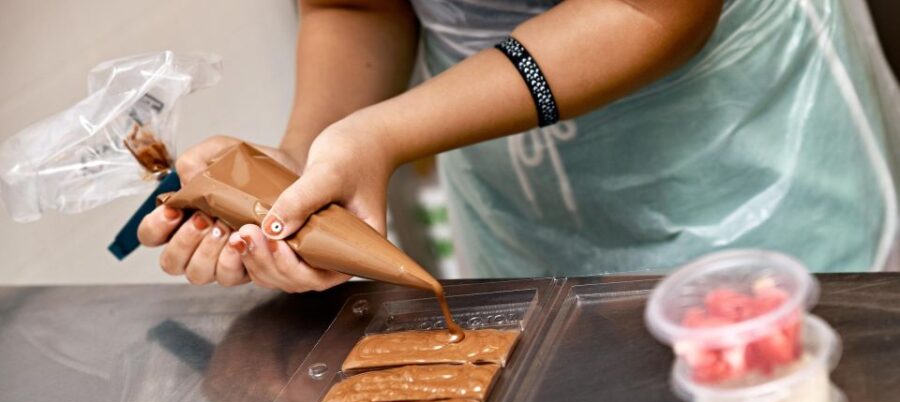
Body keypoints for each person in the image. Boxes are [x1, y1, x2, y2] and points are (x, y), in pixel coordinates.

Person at [137, 0, 898, 292]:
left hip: (736, 145)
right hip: (512, 186)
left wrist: (384, 132)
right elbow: (358, 5)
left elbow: (655, 8)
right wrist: (304, 158)